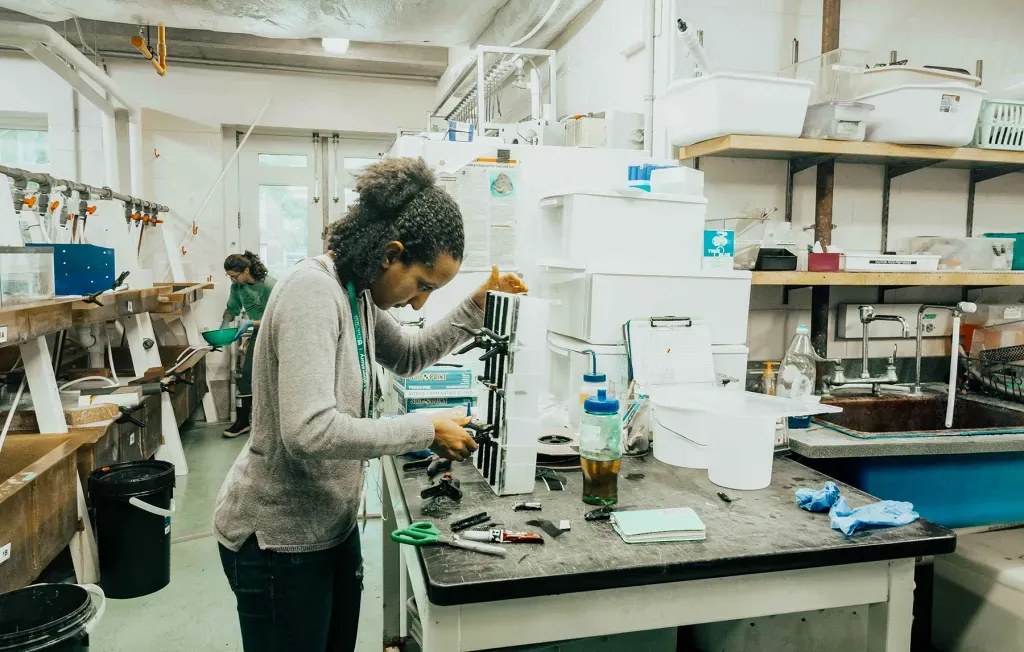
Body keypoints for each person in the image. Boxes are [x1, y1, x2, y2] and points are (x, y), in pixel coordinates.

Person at [213, 157, 527, 652]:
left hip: (329, 528)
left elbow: (407, 353)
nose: (421, 302)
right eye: (423, 284)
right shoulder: (312, 294)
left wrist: (476, 304)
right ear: (390, 253)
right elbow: (309, 431)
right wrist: (424, 429)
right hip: (279, 541)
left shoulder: (354, 291)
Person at [221, 251, 275, 438]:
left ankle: (275, 425)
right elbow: (232, 308)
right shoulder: (238, 288)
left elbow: (276, 317)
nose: (233, 281)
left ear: (246, 270)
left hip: (276, 333)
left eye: (235, 277)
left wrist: (251, 323)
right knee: (246, 377)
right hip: (259, 333)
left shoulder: (269, 285)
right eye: (230, 278)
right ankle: (243, 422)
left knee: (274, 378)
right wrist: (226, 321)